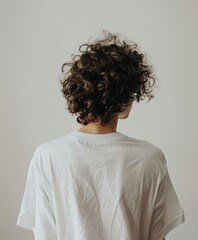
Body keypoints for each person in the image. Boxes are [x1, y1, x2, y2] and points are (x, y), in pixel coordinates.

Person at [16, 31, 185, 240]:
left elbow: (44, 234)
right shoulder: (150, 158)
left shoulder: (47, 155)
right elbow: (156, 235)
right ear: (126, 97)